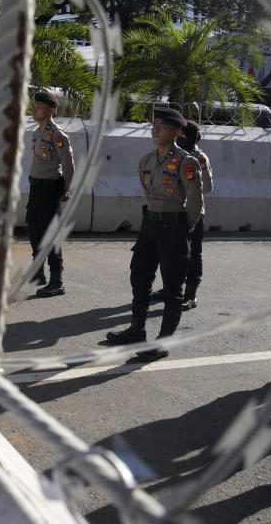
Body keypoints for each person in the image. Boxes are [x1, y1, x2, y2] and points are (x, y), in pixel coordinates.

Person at [106, 106, 202, 359]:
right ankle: (137, 330)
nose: (155, 129)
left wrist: (183, 228)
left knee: (172, 288)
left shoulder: (186, 162)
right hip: (150, 226)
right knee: (140, 278)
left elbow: (195, 202)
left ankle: (161, 342)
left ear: (176, 132)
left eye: (162, 126)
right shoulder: (146, 160)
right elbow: (148, 193)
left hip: (174, 227)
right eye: (154, 124)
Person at [26, 91, 74, 297]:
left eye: (38, 107)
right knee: (34, 228)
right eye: (34, 106)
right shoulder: (37, 132)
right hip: (35, 187)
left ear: (50, 110)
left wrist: (66, 189)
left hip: (49, 189)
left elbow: (68, 165)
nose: (34, 109)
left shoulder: (58, 135)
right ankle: (38, 273)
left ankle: (57, 281)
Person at [177, 121, 213, 310]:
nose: (178, 138)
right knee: (172, 252)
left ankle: (190, 294)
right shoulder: (173, 154)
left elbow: (207, 187)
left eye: (182, 136)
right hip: (173, 211)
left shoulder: (199, 158)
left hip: (193, 211)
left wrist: (184, 192)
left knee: (193, 254)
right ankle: (173, 288)